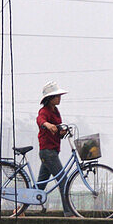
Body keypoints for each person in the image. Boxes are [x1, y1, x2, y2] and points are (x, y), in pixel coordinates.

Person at [36, 81, 75, 215]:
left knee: (40, 186)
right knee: (63, 180)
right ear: (49, 98)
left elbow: (57, 130)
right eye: (57, 96)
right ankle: (68, 213)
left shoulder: (56, 111)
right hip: (47, 152)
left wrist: (60, 131)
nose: (59, 98)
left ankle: (20, 209)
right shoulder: (44, 111)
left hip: (52, 151)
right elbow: (40, 120)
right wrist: (47, 125)